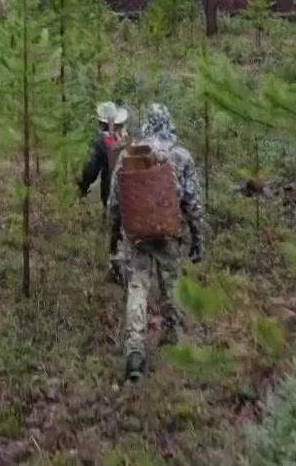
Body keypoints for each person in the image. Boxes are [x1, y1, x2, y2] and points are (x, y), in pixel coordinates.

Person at [106, 103, 204, 383]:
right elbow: (192, 202)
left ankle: (135, 350)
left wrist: (114, 237)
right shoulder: (181, 156)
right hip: (167, 231)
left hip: (137, 233)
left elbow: (115, 202)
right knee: (171, 283)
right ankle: (174, 338)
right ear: (169, 123)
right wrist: (198, 237)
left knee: (138, 286)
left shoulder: (129, 156)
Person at [80, 102, 130, 282]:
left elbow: (91, 171)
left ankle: (116, 269)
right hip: (133, 194)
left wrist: (81, 188)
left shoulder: (102, 142)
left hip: (113, 194)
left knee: (115, 230)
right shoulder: (125, 137)